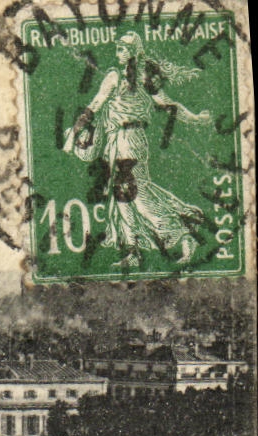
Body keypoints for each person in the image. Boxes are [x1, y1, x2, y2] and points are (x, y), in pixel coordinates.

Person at [64, 31, 214, 269]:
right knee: (123, 198)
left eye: (122, 48)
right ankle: (133, 250)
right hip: (116, 141)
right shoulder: (114, 76)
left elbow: (168, 104)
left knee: (137, 196)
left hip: (131, 139)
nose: (118, 52)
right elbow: (95, 104)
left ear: (134, 52)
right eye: (117, 48)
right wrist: (76, 130)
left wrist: (194, 118)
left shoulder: (143, 78)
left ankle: (183, 233)